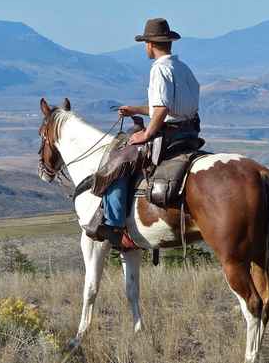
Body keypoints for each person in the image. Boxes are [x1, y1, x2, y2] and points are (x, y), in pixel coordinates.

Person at [86, 18, 201, 248]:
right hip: (190, 132)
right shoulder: (182, 68)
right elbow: (170, 106)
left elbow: (162, 109)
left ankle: (114, 222)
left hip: (167, 135)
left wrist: (147, 134)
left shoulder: (159, 69)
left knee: (118, 162)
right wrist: (135, 109)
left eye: (145, 43)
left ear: (149, 44)